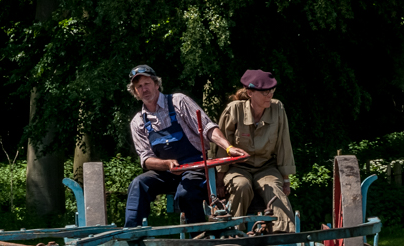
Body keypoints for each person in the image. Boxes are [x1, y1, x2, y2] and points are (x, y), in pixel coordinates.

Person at [125, 64, 243, 228]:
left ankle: (199, 237)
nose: (144, 89)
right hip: (167, 172)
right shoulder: (138, 122)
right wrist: (166, 164)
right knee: (138, 184)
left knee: (185, 194)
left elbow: (208, 128)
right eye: (139, 87)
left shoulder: (178, 101)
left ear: (156, 84)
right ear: (135, 92)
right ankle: (132, 236)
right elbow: (146, 159)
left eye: (147, 84)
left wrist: (229, 147)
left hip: (196, 167)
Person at [214, 69, 297, 232]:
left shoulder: (277, 108)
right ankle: (233, 233)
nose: (269, 95)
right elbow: (222, 148)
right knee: (241, 186)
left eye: (272, 90)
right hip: (238, 168)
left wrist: (286, 179)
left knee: (274, 188)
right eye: (265, 92)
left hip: (266, 167)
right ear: (250, 93)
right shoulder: (234, 110)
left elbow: (283, 144)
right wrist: (219, 182)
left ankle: (284, 235)